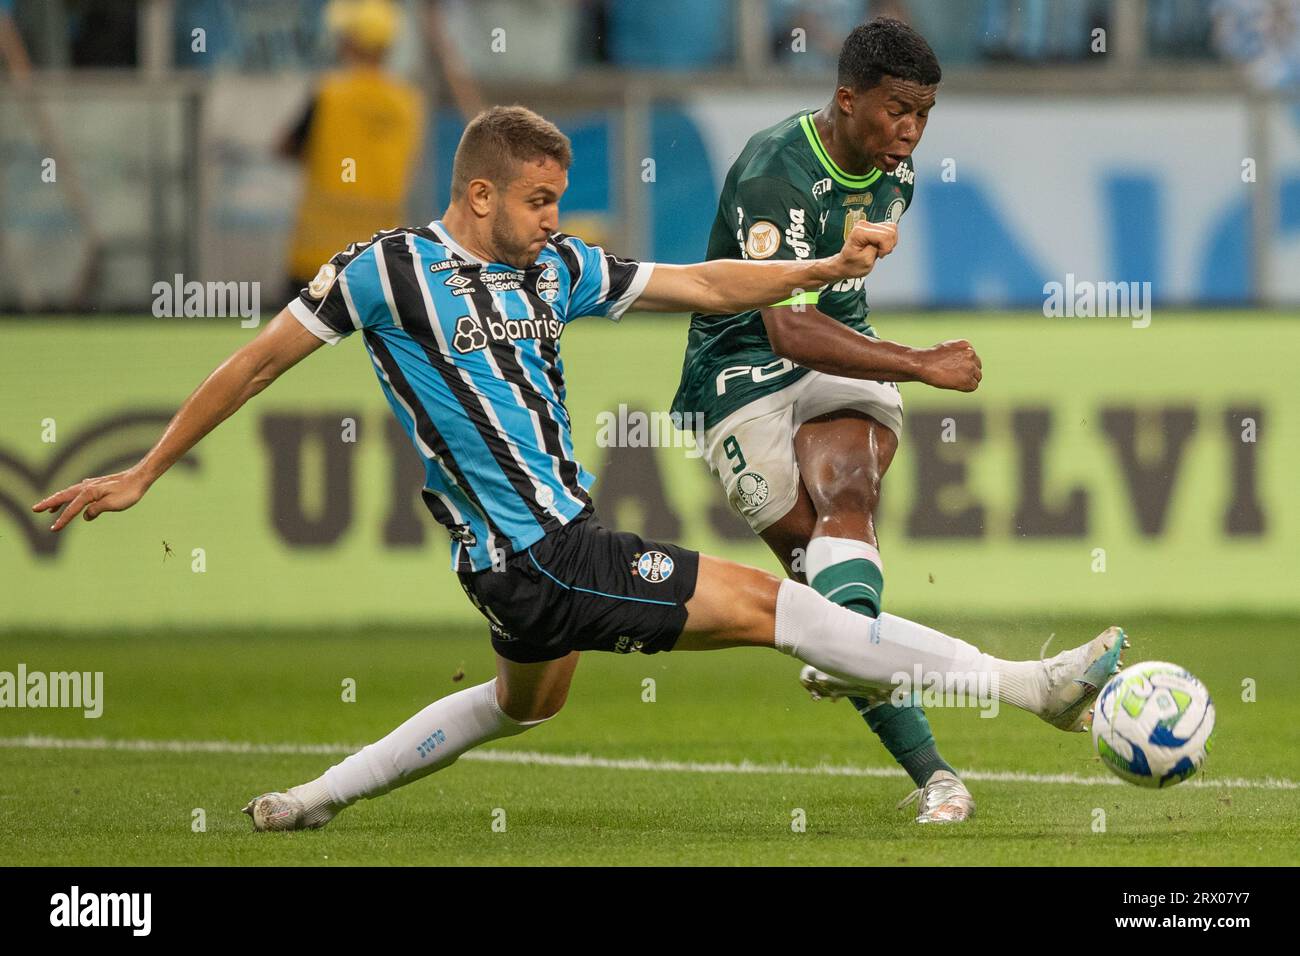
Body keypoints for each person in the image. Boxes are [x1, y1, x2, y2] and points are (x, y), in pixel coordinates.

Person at [32, 106, 1124, 833]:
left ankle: (312, 801)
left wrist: (821, 265)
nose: (556, 218)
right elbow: (254, 363)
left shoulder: (554, 268)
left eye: (559, 199)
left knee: (524, 704)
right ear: (477, 197)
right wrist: (145, 469)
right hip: (542, 551)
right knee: (778, 608)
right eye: (539, 199)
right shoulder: (381, 274)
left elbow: (700, 284)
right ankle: (1033, 689)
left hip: (525, 559)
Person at [670, 17, 982, 821]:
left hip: (837, 356)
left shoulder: (896, 174)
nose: (910, 132)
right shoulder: (775, 172)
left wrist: (888, 357)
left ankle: (941, 785)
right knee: (817, 573)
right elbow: (784, 325)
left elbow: (830, 318)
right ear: (847, 100)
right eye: (897, 111)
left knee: (849, 494)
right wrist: (921, 363)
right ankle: (912, 740)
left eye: (924, 115)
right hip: (737, 370)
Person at [280, 0, 424, 301]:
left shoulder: (328, 92)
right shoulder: (409, 102)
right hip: (382, 251)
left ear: (348, 40)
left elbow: (287, 147)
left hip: (318, 249)